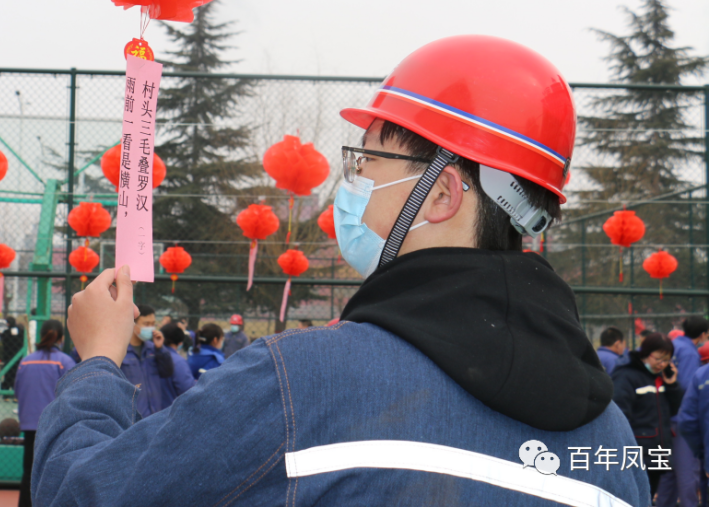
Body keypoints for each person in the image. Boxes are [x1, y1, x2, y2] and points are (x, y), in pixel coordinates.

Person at [34, 36, 649, 506]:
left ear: (442, 197)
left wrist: (97, 365)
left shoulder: (301, 383)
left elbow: (83, 493)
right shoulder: (614, 440)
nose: (349, 185)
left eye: (368, 161)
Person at [613, 332, 683, 497]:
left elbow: (673, 410)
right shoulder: (626, 376)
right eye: (658, 359)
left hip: (658, 449)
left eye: (666, 360)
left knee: (649, 494)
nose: (662, 364)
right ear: (646, 354)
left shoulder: (660, 377)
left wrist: (672, 386)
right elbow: (619, 413)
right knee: (636, 495)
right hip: (638, 449)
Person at [14, 319, 75, 507]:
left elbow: (18, 390)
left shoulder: (25, 361)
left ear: (41, 336)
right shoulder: (65, 362)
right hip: (56, 427)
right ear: (62, 338)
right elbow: (74, 393)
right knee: (56, 473)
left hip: (30, 425)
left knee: (29, 472)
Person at [659, 317, 709, 507]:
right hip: (681, 421)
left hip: (664, 418)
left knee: (668, 473)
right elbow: (688, 393)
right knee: (687, 473)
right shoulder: (689, 353)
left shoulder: (672, 345)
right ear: (703, 334)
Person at [120, 304, 173, 418]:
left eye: (153, 324)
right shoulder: (121, 351)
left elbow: (167, 372)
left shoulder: (153, 349)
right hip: (132, 417)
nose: (151, 328)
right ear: (132, 324)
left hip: (154, 414)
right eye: (146, 324)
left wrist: (160, 349)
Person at [157, 324, 195, 405]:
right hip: (169, 411)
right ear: (180, 342)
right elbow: (188, 390)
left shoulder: (150, 355)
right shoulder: (178, 361)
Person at [0, 316, 25, 393]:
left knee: (8, 374)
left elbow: (3, 338)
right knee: (15, 374)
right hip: (17, 356)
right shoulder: (20, 330)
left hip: (8, 355)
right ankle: (15, 392)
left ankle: (5, 392)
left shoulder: (6, 332)